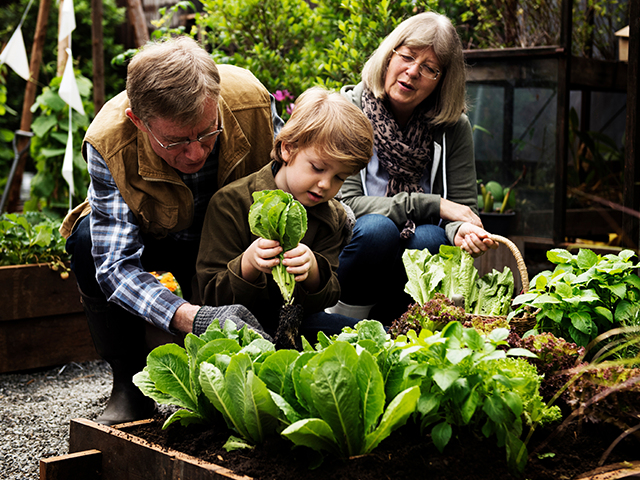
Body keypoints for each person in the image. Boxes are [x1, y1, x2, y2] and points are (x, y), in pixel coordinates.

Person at [60, 36, 283, 425]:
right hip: (160, 238)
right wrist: (190, 317)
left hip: (234, 242)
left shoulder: (252, 102)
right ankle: (129, 384)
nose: (195, 153)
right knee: (85, 241)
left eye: (206, 132)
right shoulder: (108, 141)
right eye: (176, 141)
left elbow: (291, 185)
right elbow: (115, 267)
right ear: (137, 121)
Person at [327, 11, 498, 323]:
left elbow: (461, 212)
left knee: (430, 239)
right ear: (389, 56)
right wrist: (433, 204)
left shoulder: (453, 128)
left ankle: (400, 325)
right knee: (379, 230)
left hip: (411, 270)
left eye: (430, 68)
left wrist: (463, 231)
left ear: (442, 81)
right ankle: (343, 324)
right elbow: (345, 205)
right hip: (353, 250)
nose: (412, 72)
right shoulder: (349, 111)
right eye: (406, 56)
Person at [194, 87, 373, 345]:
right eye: (318, 168)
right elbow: (208, 296)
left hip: (298, 324)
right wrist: (248, 264)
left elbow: (328, 296)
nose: (325, 185)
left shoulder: (332, 215)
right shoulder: (230, 203)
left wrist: (313, 271)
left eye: (339, 177)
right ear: (288, 149)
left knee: (361, 335)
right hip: (234, 329)